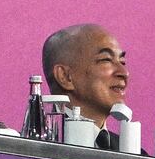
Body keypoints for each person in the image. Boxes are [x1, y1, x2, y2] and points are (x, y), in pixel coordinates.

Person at [42, 24, 131, 152]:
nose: (124, 72)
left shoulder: (136, 156)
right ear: (65, 76)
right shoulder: (36, 152)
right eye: (106, 60)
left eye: (122, 62)